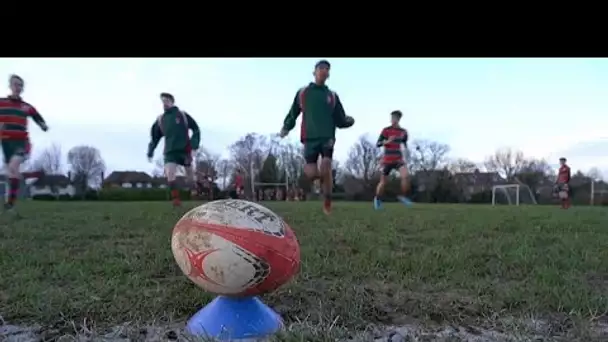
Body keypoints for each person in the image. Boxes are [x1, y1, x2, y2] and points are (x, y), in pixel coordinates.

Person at [280, 60, 355, 215]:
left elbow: (340, 119)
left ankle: (327, 201)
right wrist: (286, 127)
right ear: (314, 72)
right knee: (311, 173)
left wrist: (348, 121)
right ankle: (322, 182)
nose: (324, 71)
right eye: (321, 68)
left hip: (327, 136)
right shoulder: (303, 93)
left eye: (327, 69)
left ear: (328, 74)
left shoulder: (332, 96)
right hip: (309, 137)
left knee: (326, 166)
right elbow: (293, 112)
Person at [0, 74, 49, 216]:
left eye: (20, 85)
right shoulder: (2, 103)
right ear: (10, 86)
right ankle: (10, 203)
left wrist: (43, 125)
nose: (18, 87)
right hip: (5, 143)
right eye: (15, 84)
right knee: (11, 172)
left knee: (14, 167)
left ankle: (10, 202)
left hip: (21, 142)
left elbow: (37, 117)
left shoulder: (26, 107)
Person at [147, 92, 200, 207]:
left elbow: (196, 129)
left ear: (172, 102)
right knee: (170, 174)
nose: (164, 104)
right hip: (170, 152)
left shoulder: (182, 115)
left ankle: (194, 194)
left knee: (190, 177)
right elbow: (154, 137)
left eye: (166, 101)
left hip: (185, 151)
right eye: (162, 102)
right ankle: (176, 199)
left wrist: (194, 145)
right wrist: (151, 150)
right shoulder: (161, 119)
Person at [373, 110, 413, 210]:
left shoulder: (403, 132)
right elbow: (378, 144)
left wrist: (407, 152)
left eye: (395, 118)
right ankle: (377, 199)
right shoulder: (386, 130)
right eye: (392, 118)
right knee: (383, 182)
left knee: (406, 176)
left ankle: (403, 197)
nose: (393, 120)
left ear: (399, 119)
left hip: (398, 159)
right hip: (387, 160)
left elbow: (404, 143)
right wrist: (387, 141)